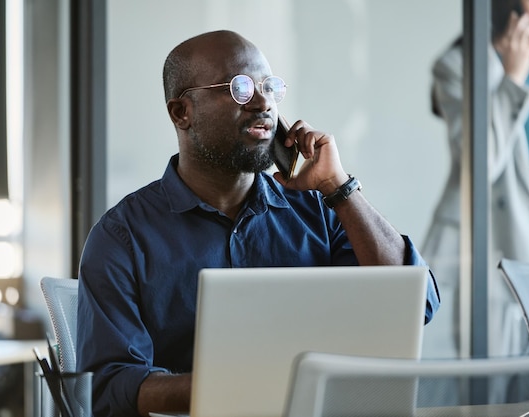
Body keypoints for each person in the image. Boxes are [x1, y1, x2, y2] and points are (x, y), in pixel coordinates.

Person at [77, 29, 440, 417]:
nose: (264, 102)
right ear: (182, 113)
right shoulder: (122, 238)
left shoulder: (317, 209)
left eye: (269, 86)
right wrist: (243, 384)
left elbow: (416, 305)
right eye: (240, 88)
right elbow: (110, 388)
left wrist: (339, 187)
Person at [422, 0, 529, 378]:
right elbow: (481, 164)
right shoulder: (457, 65)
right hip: (487, 236)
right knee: (494, 374)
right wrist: (511, 78)